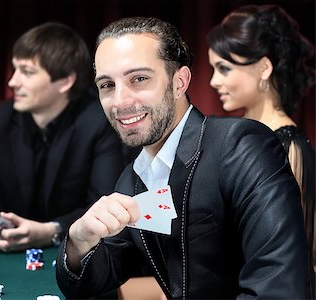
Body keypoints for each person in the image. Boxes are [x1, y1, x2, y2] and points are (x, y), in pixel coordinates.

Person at [56, 16, 312, 298]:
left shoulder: (241, 145)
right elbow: (91, 284)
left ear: (180, 82)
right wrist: (78, 241)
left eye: (139, 79)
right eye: (107, 85)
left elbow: (278, 289)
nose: (120, 102)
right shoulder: (131, 180)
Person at [0, 22, 124, 252]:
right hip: (0, 255)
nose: (12, 82)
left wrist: (51, 231)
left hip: (70, 255)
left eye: (27, 72)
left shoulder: (101, 121)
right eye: (15, 69)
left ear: (65, 81)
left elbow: (105, 205)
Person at [206, 3, 316, 287]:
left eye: (224, 68)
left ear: (264, 68)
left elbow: (290, 261)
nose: (214, 81)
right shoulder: (236, 137)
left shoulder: (288, 145)